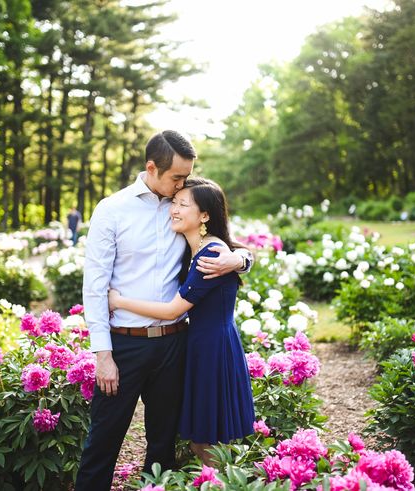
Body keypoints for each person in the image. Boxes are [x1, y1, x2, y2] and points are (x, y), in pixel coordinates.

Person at [75, 130, 253, 491]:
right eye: (176, 178)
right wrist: (103, 355)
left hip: (175, 344)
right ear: (152, 167)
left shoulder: (184, 208)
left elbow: (223, 237)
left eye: (186, 178)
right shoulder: (113, 210)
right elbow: (95, 288)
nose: (181, 186)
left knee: (163, 445)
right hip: (125, 345)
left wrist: (241, 259)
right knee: (103, 442)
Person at [108, 177, 255, 466]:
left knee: (206, 437)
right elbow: (243, 250)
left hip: (211, 347)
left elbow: (173, 309)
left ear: (204, 215)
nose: (173, 209)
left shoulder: (210, 255)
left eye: (182, 204)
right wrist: (242, 258)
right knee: (202, 434)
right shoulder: (195, 247)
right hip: (203, 342)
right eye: (173, 202)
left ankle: (220, 484)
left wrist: (119, 301)